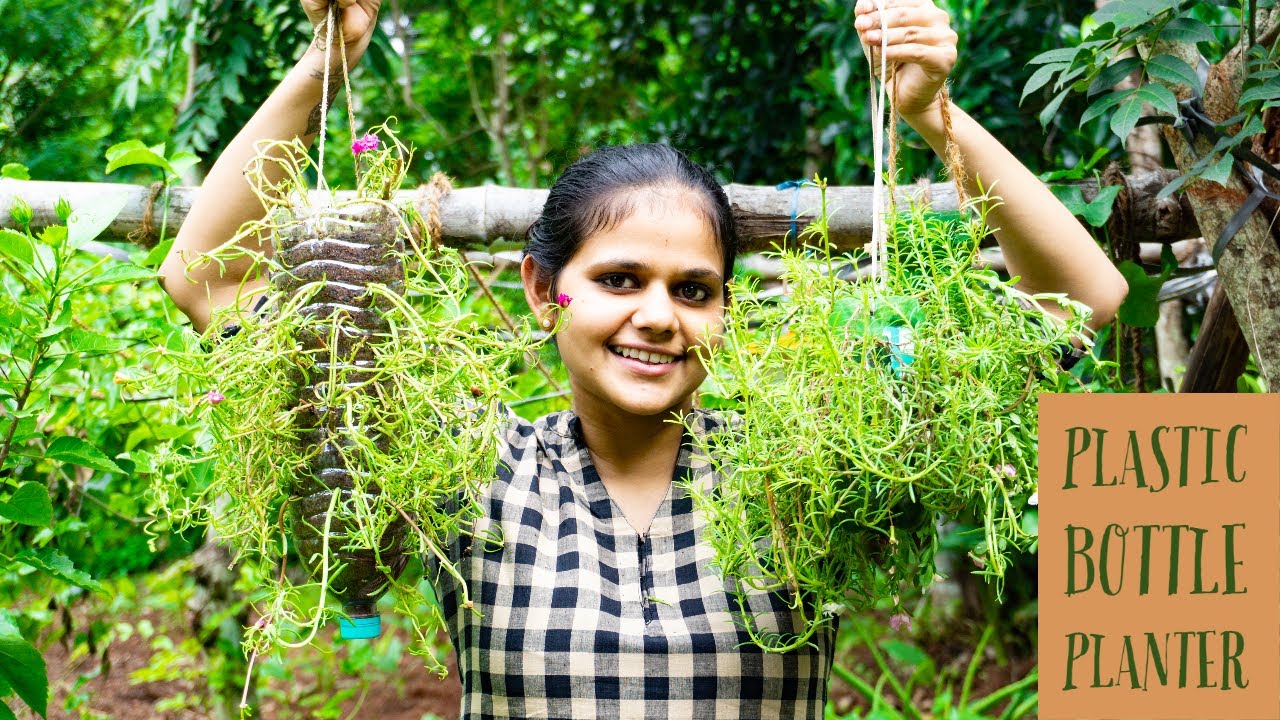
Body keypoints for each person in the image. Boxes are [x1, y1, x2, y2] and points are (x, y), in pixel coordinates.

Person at [159, 0, 1128, 716]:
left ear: (724, 310)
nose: (657, 316)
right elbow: (207, 279)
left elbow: (1083, 300)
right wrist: (320, 69)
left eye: (692, 289)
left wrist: (934, 119)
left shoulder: (797, 472)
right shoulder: (470, 468)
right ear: (545, 292)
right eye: (619, 279)